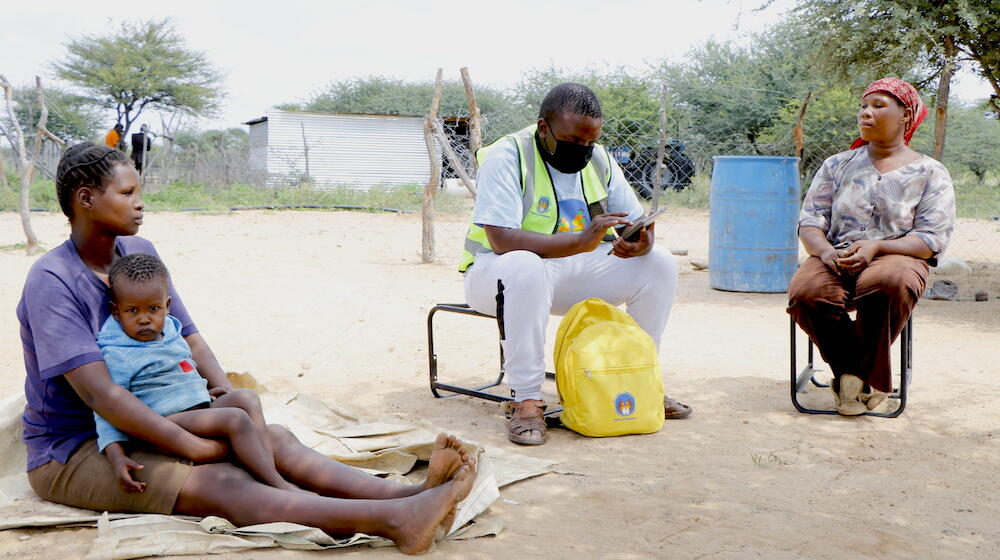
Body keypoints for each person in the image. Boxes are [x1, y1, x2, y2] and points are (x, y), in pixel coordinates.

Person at [18, 142, 475, 555]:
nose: (140, 203)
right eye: (126, 192)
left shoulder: (136, 252)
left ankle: (410, 495)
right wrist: (194, 446)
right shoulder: (53, 281)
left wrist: (218, 397)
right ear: (85, 199)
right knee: (224, 479)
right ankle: (396, 521)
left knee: (270, 439)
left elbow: (188, 335)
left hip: (157, 412)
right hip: (82, 447)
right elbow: (102, 396)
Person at [458, 83, 690, 446]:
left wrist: (642, 242)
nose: (581, 150)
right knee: (525, 265)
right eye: (572, 140)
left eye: (589, 142)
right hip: (497, 275)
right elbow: (501, 239)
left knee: (659, 264)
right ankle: (527, 401)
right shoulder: (507, 155)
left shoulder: (597, 158)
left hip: (567, 272)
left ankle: (640, 380)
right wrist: (580, 242)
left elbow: (634, 220)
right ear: (544, 127)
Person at [787, 78, 955, 416]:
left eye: (878, 106)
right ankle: (861, 377)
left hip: (897, 256)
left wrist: (877, 247)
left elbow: (932, 238)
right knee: (807, 294)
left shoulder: (929, 172)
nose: (866, 112)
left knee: (888, 285)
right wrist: (825, 252)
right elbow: (810, 221)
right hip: (837, 254)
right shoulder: (838, 165)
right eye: (864, 106)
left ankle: (853, 381)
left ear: (906, 115)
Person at [96, 252, 298, 493]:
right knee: (235, 419)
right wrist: (116, 454)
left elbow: (180, 366)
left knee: (247, 397)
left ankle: (267, 469)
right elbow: (106, 408)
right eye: (132, 311)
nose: (144, 319)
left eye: (153, 308)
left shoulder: (170, 329)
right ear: (115, 311)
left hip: (194, 408)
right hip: (163, 421)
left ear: (167, 306)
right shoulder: (118, 352)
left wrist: (201, 390)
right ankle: (278, 487)